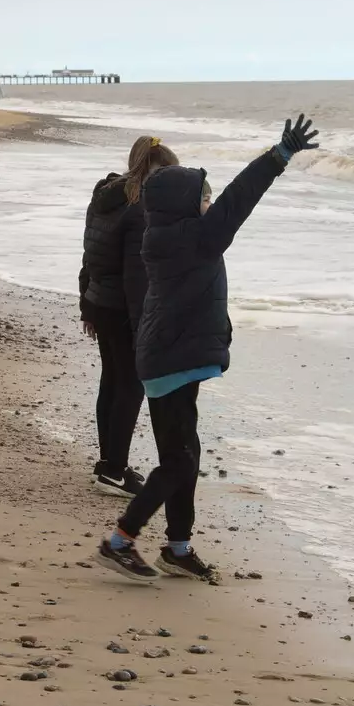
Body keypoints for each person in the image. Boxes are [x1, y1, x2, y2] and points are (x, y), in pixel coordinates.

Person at [96, 115, 320, 583]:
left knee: (184, 455)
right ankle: (121, 539)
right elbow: (240, 198)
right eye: (203, 196)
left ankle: (178, 548)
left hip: (164, 360)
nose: (211, 202)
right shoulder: (197, 238)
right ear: (184, 204)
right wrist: (277, 157)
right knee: (179, 461)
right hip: (171, 362)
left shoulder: (163, 237)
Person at [80, 135, 178, 498]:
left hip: (101, 303)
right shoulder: (139, 209)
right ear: (154, 171)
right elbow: (136, 278)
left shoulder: (105, 197)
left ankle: (109, 463)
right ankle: (113, 471)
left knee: (112, 381)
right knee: (130, 386)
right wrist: (144, 329)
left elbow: (88, 255)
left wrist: (86, 305)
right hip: (122, 309)